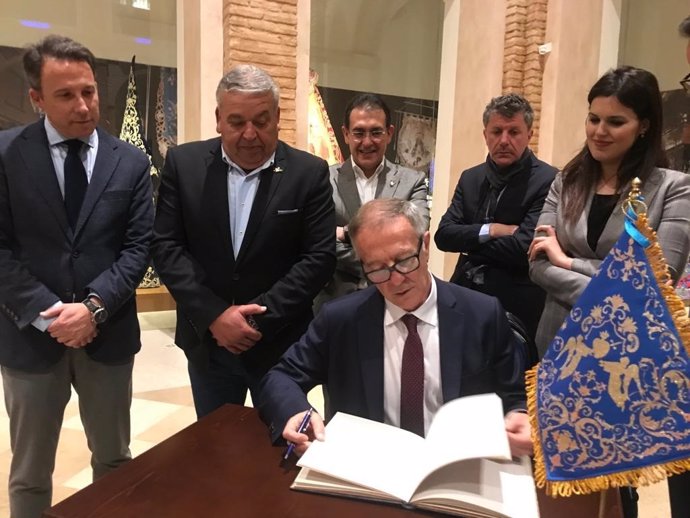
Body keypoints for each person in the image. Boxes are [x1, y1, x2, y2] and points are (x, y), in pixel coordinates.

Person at [0, 35, 154, 518]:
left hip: (106, 337)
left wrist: (92, 308)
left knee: (114, 460)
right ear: (37, 98)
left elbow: (137, 247)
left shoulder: (128, 161)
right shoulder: (5, 155)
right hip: (29, 339)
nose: (83, 105)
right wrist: (50, 316)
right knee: (29, 473)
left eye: (88, 91)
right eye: (66, 95)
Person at [528, 66, 690, 518]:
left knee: (613, 484)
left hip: (624, 360)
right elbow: (537, 264)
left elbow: (655, 284)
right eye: (593, 118)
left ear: (644, 127)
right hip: (558, 347)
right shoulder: (568, 180)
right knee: (552, 476)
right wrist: (605, 276)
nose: (599, 131)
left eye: (615, 122)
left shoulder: (673, 190)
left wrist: (568, 260)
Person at [258, 198, 532, 458]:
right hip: (368, 467)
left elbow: (515, 395)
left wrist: (519, 415)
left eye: (404, 261)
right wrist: (297, 411)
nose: (395, 280)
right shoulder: (340, 319)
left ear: (425, 246)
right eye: (376, 269)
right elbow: (282, 377)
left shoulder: (482, 313)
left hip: (458, 465)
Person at [151, 64, 336, 419]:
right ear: (219, 118)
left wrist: (254, 322)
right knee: (216, 446)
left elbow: (318, 258)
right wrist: (215, 316)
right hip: (209, 342)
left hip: (280, 342)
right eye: (237, 122)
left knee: (283, 445)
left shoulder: (309, 173)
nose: (250, 134)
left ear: (277, 117)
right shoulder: (184, 164)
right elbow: (166, 247)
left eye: (261, 121)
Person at [434, 94, 556, 342]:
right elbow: (444, 236)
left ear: (529, 135)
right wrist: (493, 230)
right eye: (497, 131)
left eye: (514, 132)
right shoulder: (471, 178)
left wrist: (469, 242)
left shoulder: (549, 180)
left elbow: (523, 248)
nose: (504, 140)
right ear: (485, 134)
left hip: (517, 304)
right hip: (464, 294)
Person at [313, 93, 428, 310]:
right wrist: (383, 262)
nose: (367, 142)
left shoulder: (413, 182)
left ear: (389, 133)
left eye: (376, 132)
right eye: (358, 133)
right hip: (335, 302)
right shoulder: (323, 180)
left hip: (396, 300)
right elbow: (318, 239)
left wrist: (345, 233)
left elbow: (415, 237)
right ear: (346, 134)